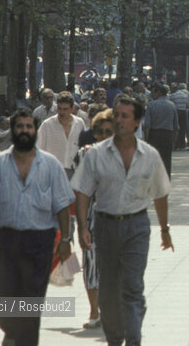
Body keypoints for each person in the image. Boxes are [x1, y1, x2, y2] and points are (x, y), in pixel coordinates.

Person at [73, 97, 174, 346]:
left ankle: (133, 339)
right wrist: (83, 227)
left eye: (124, 116)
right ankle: (115, 339)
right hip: (105, 225)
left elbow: (160, 193)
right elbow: (82, 192)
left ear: (137, 122)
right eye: (116, 115)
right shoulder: (96, 154)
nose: (118, 120)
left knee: (132, 287)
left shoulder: (149, 155)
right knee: (107, 290)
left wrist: (164, 229)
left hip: (136, 226)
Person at [0, 107, 74, 345]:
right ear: (13, 130)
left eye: (29, 127)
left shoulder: (50, 165)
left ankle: (23, 341)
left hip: (39, 242)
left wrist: (65, 240)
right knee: (5, 296)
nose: (24, 131)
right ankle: (11, 333)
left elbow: (62, 205)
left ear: (35, 130)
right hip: (6, 240)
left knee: (31, 300)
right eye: (20, 126)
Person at [73, 109, 115, 330]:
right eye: (101, 132)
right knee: (91, 266)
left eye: (110, 131)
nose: (105, 136)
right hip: (93, 219)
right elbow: (81, 192)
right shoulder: (85, 154)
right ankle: (94, 311)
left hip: (118, 220)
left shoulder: (126, 155)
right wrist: (81, 226)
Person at [35, 91, 85, 178]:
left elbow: (83, 146)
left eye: (65, 109)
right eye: (59, 108)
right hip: (52, 171)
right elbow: (37, 147)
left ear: (72, 109)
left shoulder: (79, 123)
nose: (61, 112)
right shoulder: (47, 124)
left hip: (74, 170)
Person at [141, 83, 177, 178]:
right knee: (167, 159)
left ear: (159, 92)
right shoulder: (172, 105)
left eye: (153, 92)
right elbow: (176, 126)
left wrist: (147, 140)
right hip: (167, 134)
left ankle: (154, 178)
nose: (152, 95)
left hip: (154, 134)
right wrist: (173, 140)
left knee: (154, 159)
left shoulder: (151, 105)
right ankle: (166, 179)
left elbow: (147, 125)